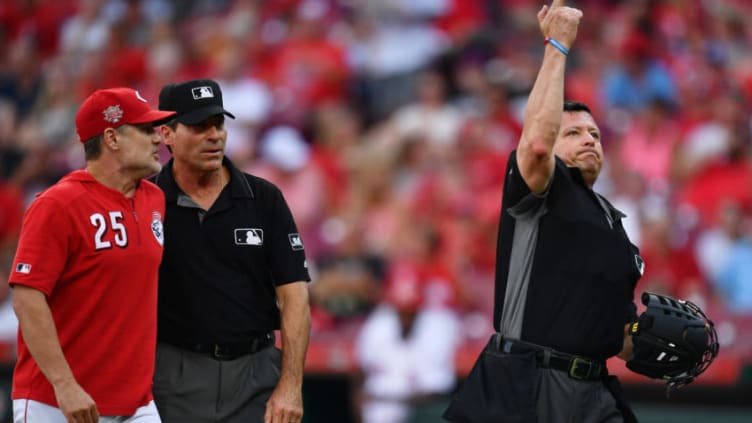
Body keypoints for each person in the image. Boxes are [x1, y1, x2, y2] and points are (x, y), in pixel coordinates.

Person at [444, 1, 642, 422]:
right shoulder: (545, 187)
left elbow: (620, 339)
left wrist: (654, 340)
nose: (589, 138)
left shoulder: (615, 223)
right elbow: (536, 143)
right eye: (572, 132)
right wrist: (557, 47)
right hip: (526, 384)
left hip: (593, 390)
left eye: (595, 132)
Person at [8, 87, 176, 422]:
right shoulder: (58, 204)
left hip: (136, 402)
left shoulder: (154, 199)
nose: (157, 139)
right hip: (58, 402)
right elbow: (28, 299)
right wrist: (64, 384)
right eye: (145, 129)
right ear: (112, 139)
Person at [152, 79, 311, 423]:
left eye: (219, 124)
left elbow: (295, 296)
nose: (214, 135)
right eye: (199, 126)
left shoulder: (263, 198)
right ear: (167, 134)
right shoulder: (146, 202)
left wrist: (291, 385)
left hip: (255, 374)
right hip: (174, 373)